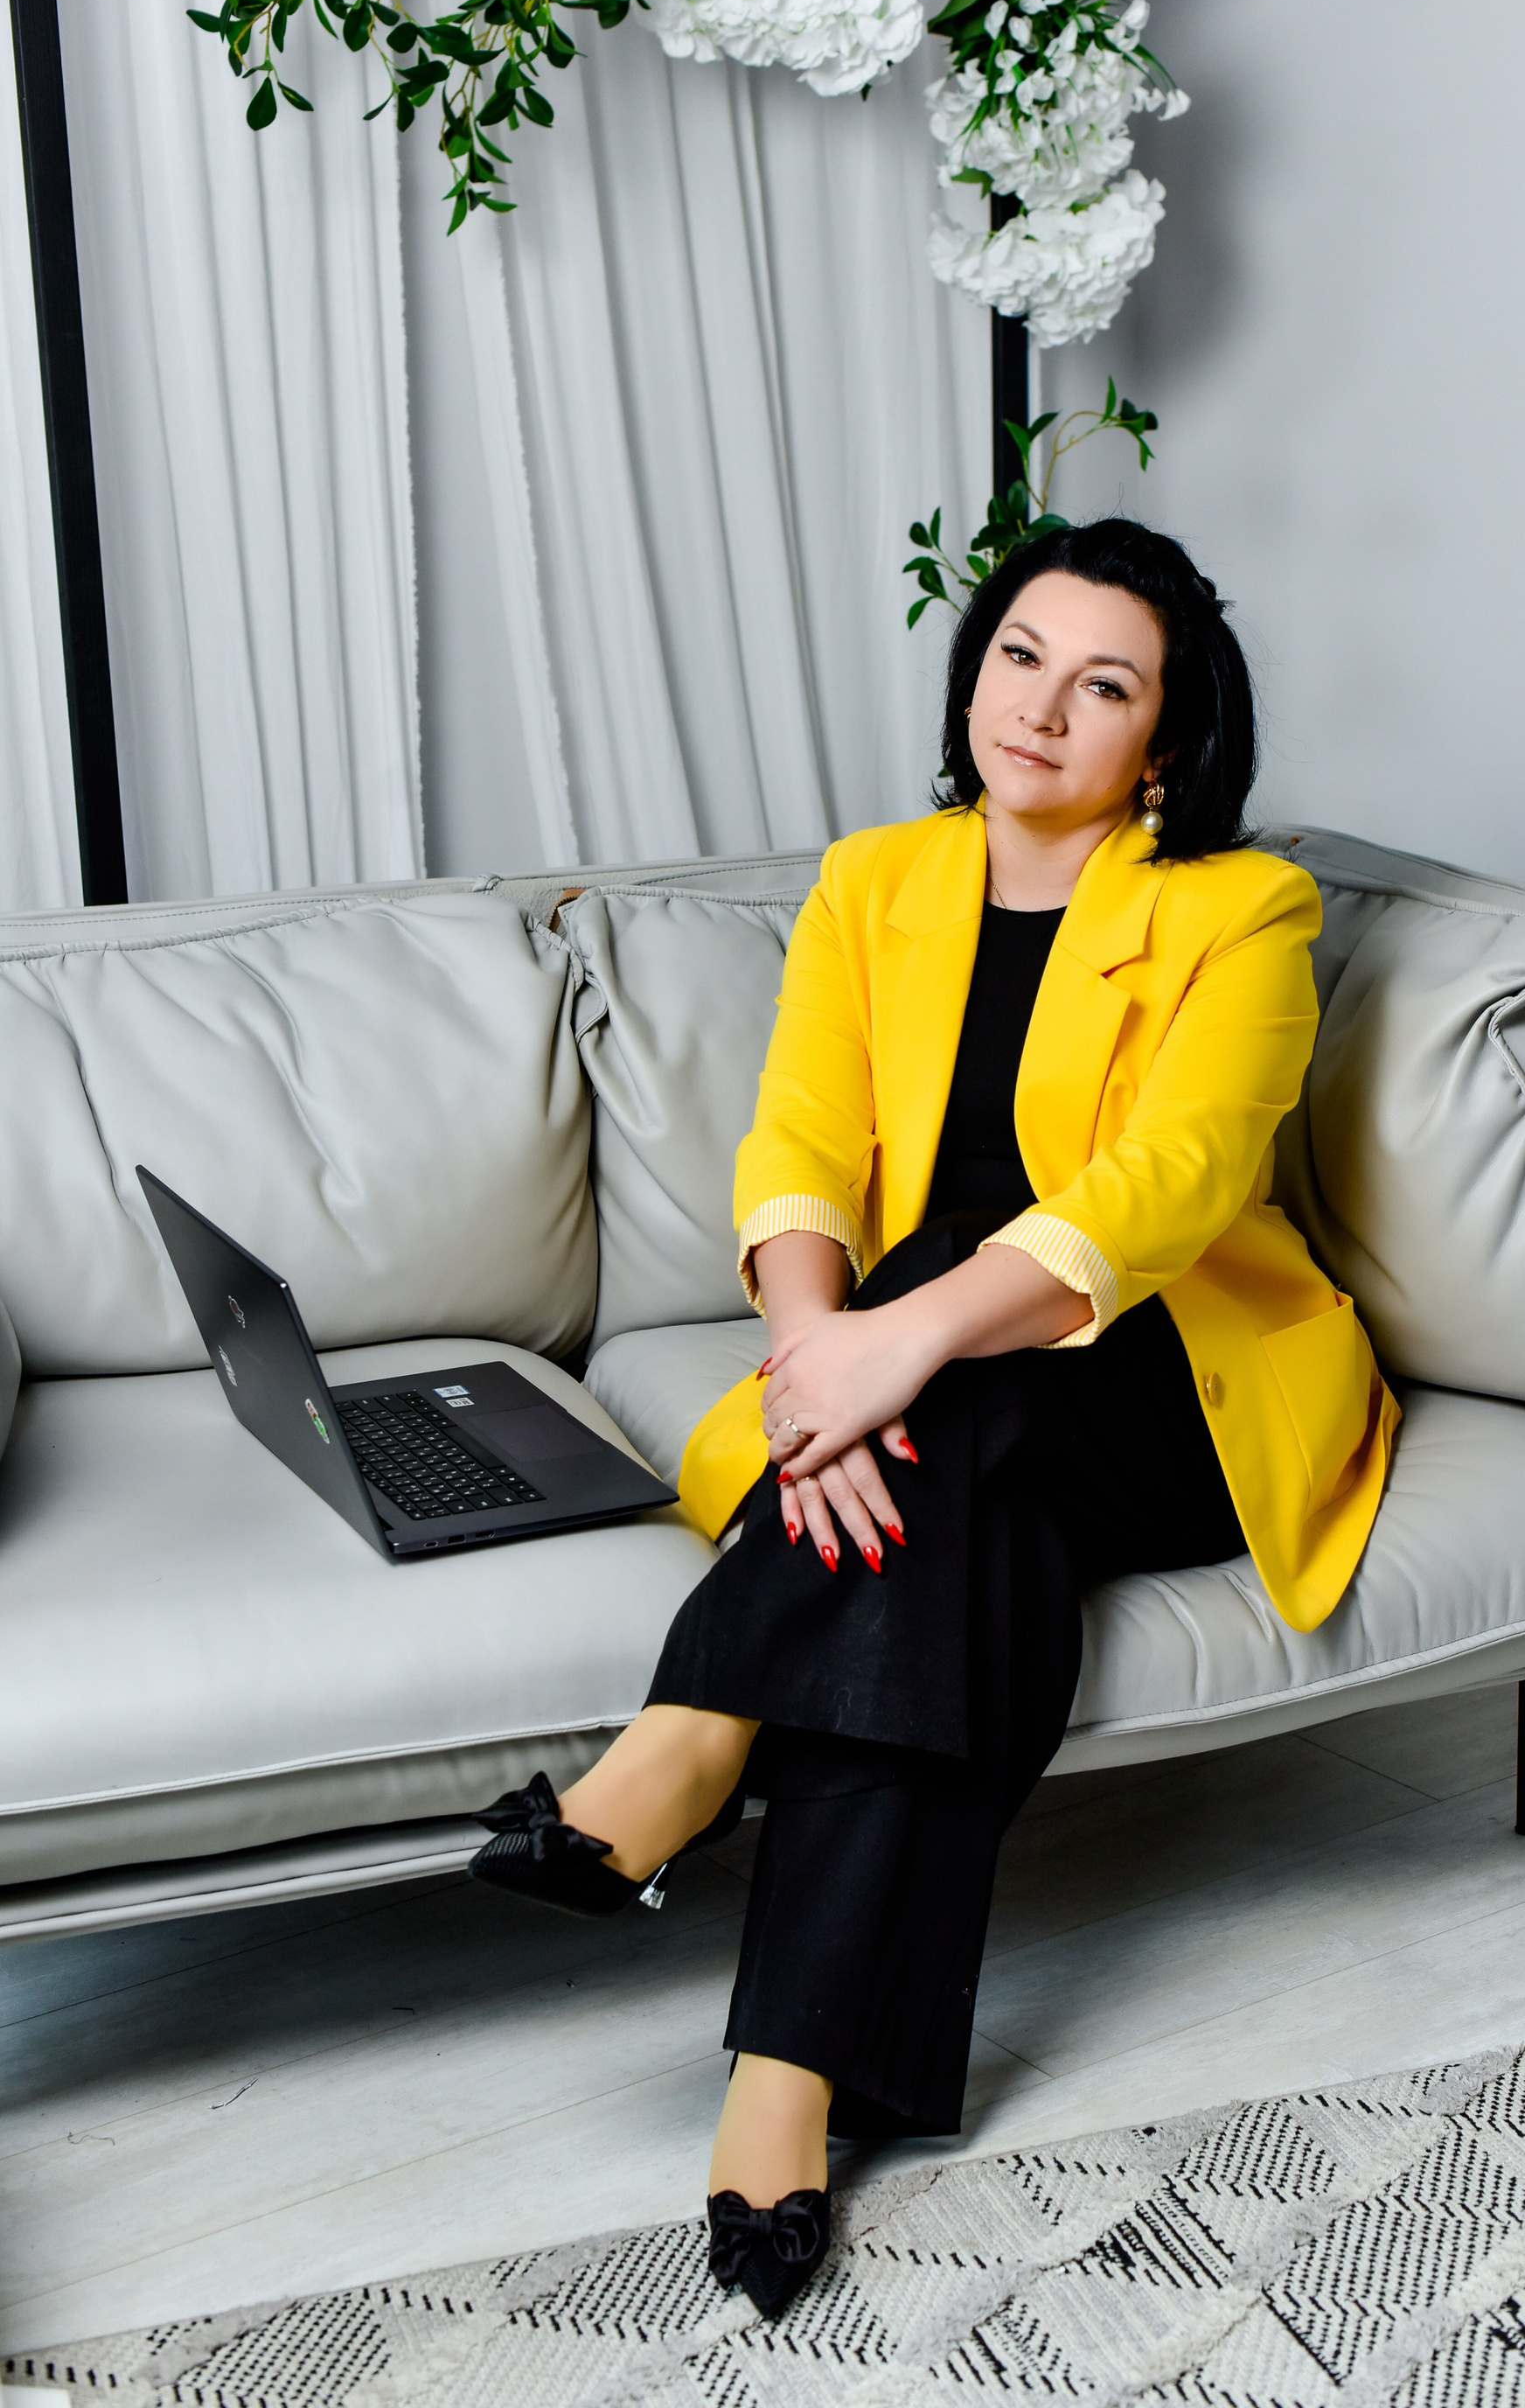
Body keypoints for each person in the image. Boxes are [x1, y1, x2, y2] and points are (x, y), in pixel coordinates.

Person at [469, 517, 1399, 2319]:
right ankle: (788, 2078)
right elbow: (802, 1141)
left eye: (1103, 685)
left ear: (1168, 740)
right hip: (941, 1397)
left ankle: (686, 1739)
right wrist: (821, 1353)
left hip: (1171, 1373)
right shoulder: (876, 880)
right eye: (1019, 657)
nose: (1040, 707)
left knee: (963, 1338)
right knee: (967, 1538)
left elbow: (1172, 1184)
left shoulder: (1243, 909)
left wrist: (896, 1352)